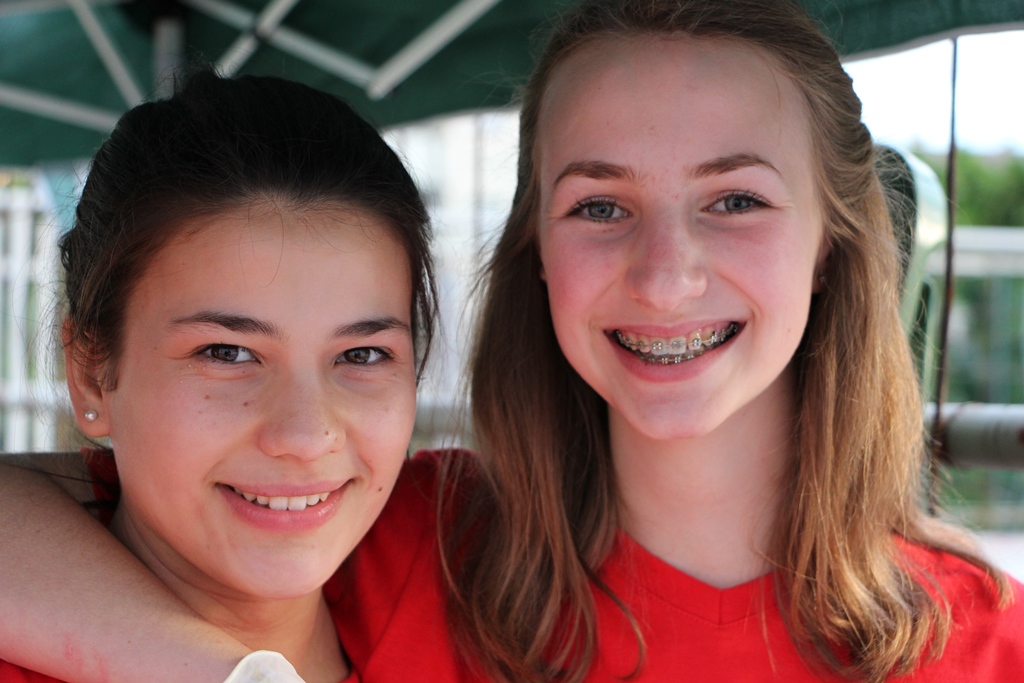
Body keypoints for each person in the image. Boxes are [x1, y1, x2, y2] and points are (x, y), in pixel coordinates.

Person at [2, 0, 1023, 681]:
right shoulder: (413, 539)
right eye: (599, 206)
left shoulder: (982, 638)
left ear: (833, 243)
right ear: (535, 250)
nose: (665, 273)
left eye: (736, 199)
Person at [0, 69, 438, 683]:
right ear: (92, 376)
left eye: (362, 355)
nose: (306, 436)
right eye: (227, 353)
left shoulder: (473, 568)